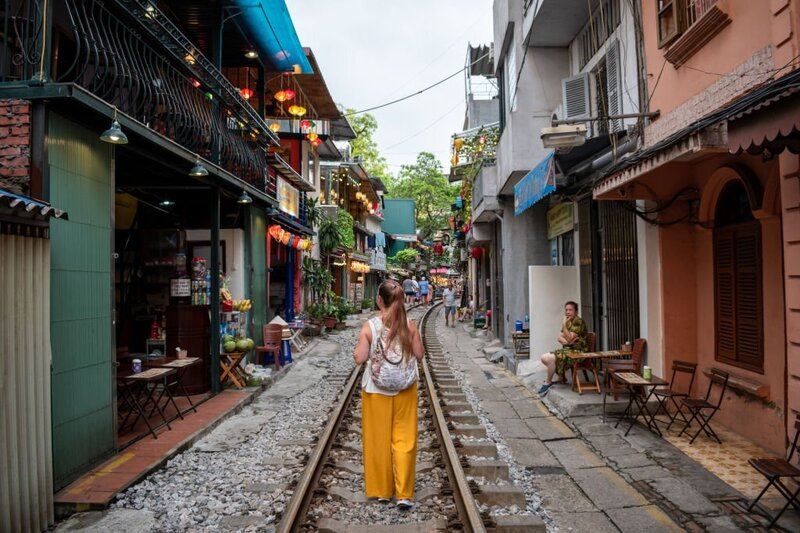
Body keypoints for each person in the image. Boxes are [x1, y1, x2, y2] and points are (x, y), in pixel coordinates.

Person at [354, 280, 425, 509]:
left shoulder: (370, 327)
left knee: (378, 440)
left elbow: (359, 358)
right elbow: (420, 354)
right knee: (404, 440)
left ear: (379, 300)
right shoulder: (409, 325)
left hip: (376, 392)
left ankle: (383, 491)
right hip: (405, 390)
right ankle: (404, 494)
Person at [538, 301, 587, 396]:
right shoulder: (569, 321)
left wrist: (564, 325)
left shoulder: (579, 322)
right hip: (568, 350)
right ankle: (561, 378)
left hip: (578, 353)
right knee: (544, 358)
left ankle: (548, 382)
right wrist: (568, 342)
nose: (567, 312)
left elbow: (569, 337)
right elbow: (559, 337)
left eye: (570, 310)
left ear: (576, 312)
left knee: (548, 358)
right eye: (566, 310)